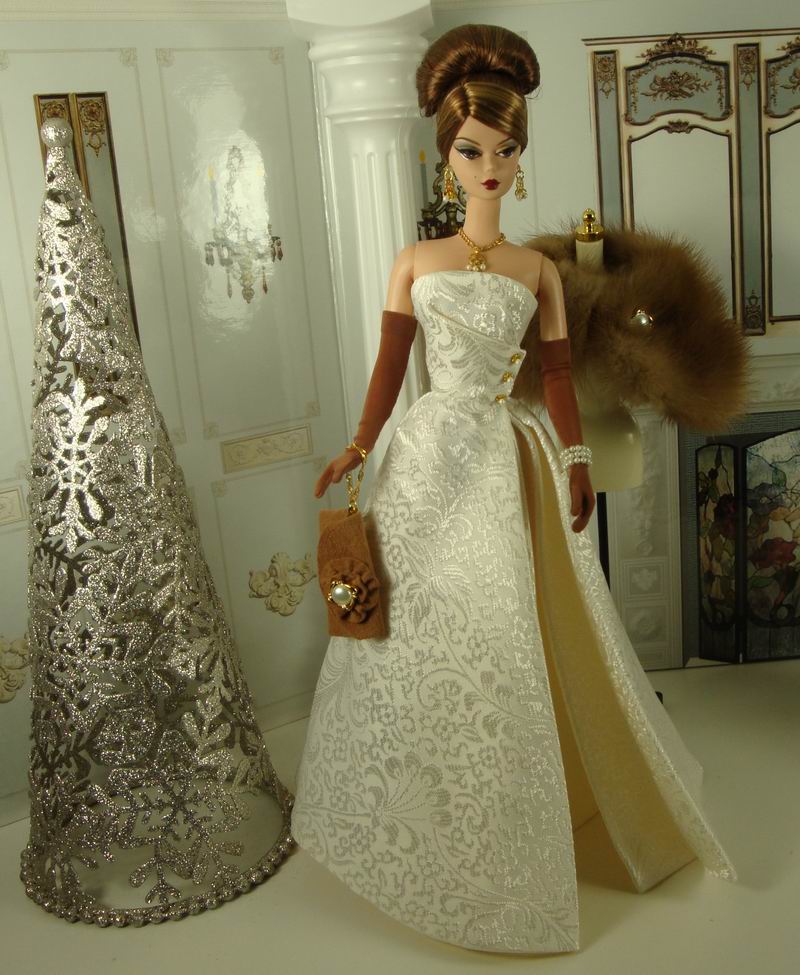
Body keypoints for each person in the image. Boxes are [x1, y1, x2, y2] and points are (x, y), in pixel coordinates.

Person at [291, 23, 735, 955]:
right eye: (471, 151)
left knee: (503, 628)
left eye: (503, 151)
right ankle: (420, 825)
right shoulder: (416, 263)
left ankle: (516, 827)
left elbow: (560, 376)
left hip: (504, 457)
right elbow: (391, 366)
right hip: (425, 458)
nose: (489, 167)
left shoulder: (538, 273)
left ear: (520, 157)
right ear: (445, 157)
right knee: (410, 628)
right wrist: (360, 444)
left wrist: (574, 457)